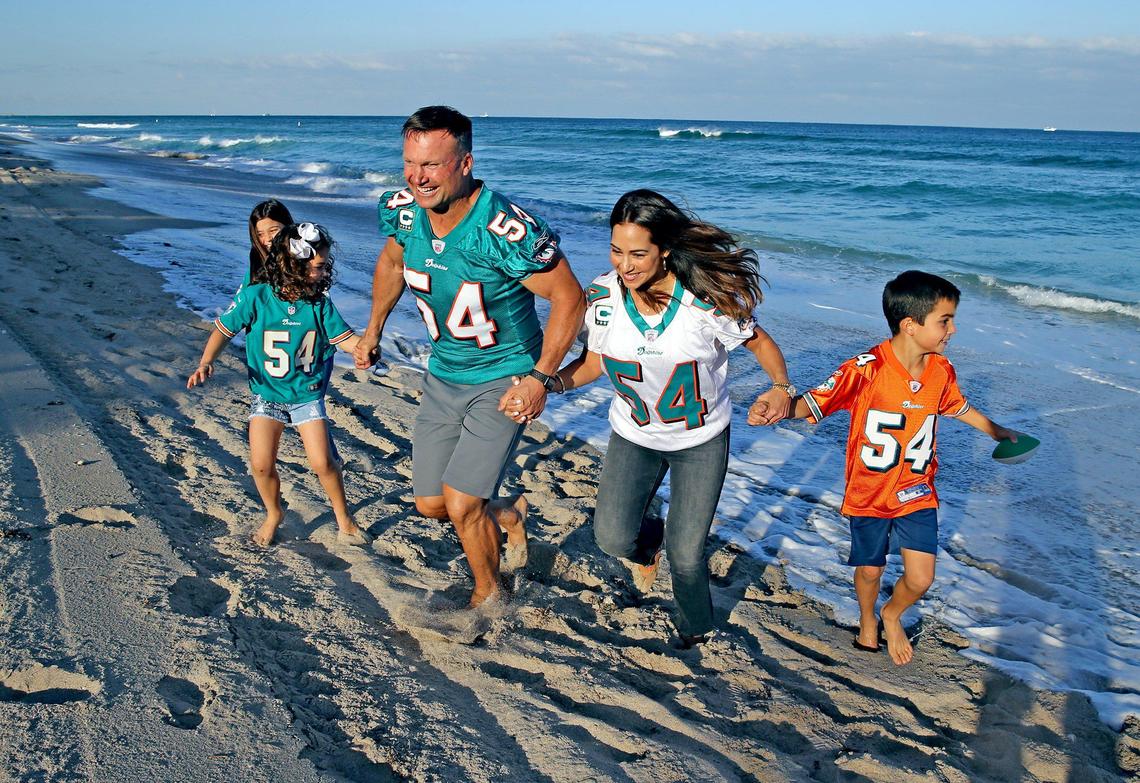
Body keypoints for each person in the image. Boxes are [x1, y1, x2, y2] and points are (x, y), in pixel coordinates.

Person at [352, 106, 585, 608]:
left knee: (461, 503)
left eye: (432, 165)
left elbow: (570, 297)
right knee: (431, 503)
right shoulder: (404, 210)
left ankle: (489, 597)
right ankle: (507, 514)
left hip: (504, 377)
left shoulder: (504, 231)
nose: (418, 177)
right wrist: (373, 329)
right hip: (443, 373)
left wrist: (541, 379)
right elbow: (393, 262)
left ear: (465, 163)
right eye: (411, 163)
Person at [548, 189, 794, 647]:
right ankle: (651, 544)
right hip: (633, 435)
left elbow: (759, 342)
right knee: (612, 538)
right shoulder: (602, 296)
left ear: (664, 250)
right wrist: (549, 384)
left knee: (687, 556)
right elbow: (594, 362)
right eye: (617, 251)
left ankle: (697, 631)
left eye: (638, 253)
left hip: (699, 441)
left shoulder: (705, 302)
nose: (626, 265)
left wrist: (780, 388)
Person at [763, 270, 1017, 665]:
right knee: (869, 571)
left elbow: (956, 406)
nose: (953, 329)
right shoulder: (865, 369)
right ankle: (867, 618)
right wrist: (779, 408)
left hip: (918, 490)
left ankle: (891, 613)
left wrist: (995, 431)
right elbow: (815, 403)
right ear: (910, 325)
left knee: (920, 578)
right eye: (945, 320)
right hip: (868, 494)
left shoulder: (941, 370)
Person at [189, 222, 372, 549]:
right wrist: (206, 361)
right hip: (267, 395)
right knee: (260, 464)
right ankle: (274, 513)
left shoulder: (319, 305)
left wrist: (365, 348)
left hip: (306, 396)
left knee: (323, 463)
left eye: (325, 266)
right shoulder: (255, 297)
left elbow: (344, 340)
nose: (323, 272)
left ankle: (344, 517)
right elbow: (222, 330)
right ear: (295, 264)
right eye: (318, 266)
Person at [239, 199, 294, 295]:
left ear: (288, 226)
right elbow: (239, 304)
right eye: (260, 234)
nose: (268, 239)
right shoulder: (256, 268)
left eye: (273, 231)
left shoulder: (306, 264)